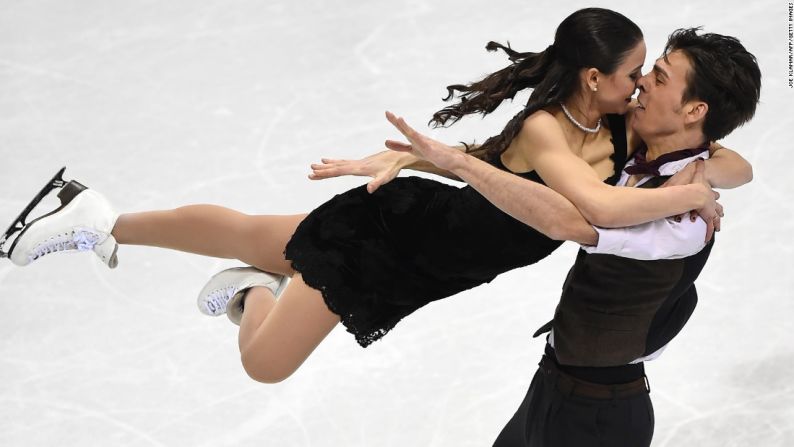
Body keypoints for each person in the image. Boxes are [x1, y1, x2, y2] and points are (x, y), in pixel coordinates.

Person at [0, 8, 748, 387]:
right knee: (265, 360)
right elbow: (600, 211)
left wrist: (706, 175)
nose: (642, 84)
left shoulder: (618, 131)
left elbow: (734, 160)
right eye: (635, 73)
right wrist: (687, 199)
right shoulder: (553, 131)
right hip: (393, 244)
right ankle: (246, 295)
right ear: (595, 78)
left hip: (428, 244)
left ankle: (98, 213)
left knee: (257, 228)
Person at [378, 28, 761, 446]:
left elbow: (563, 220)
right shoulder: (644, 148)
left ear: (693, 111)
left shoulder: (683, 220)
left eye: (660, 77)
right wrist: (414, 158)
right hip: (553, 385)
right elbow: (519, 164)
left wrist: (461, 166)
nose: (642, 81)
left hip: (599, 417)